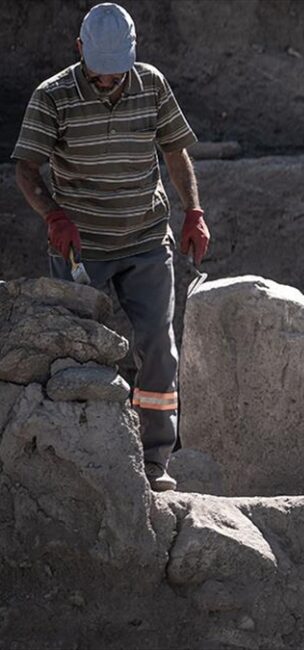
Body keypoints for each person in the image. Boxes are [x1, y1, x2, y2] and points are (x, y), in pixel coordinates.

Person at [11, 3, 209, 492]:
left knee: (158, 346)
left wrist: (193, 211)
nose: (106, 81)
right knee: (74, 353)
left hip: (145, 239)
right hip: (82, 246)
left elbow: (174, 151)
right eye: (98, 73)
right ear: (80, 51)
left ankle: (155, 461)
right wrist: (53, 215)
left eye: (115, 73)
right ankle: (78, 460)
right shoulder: (52, 97)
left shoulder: (152, 85)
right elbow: (26, 169)